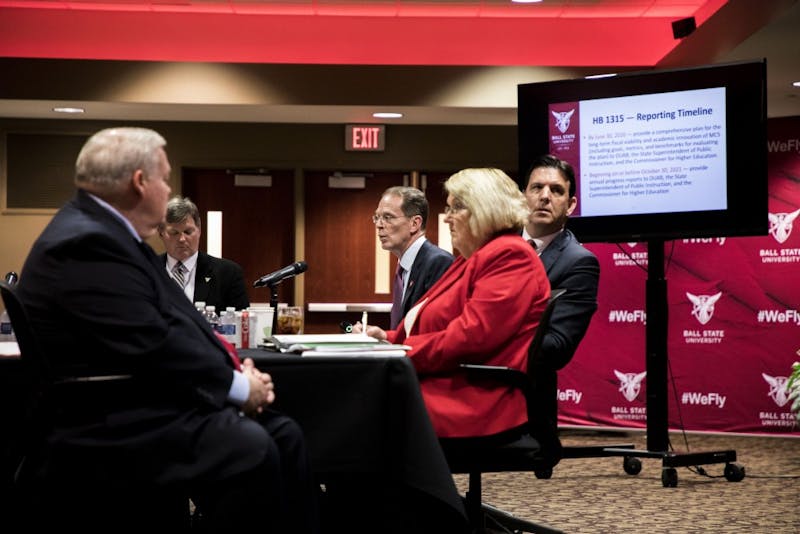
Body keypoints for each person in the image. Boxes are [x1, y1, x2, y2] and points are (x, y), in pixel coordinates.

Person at [14, 127, 319, 531]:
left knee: (282, 433)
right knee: (259, 442)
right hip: (103, 422)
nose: (168, 188)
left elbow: (178, 322)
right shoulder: (88, 243)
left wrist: (233, 374)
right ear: (140, 183)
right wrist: (239, 388)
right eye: (165, 178)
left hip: (127, 401)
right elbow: (155, 341)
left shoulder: (106, 234)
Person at [362, 168, 550, 439]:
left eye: (455, 208)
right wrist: (387, 339)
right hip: (445, 384)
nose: (447, 218)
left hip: (474, 398)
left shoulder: (510, 255)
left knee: (353, 409)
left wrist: (399, 351)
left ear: (485, 208)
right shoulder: (471, 257)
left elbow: (470, 337)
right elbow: (427, 321)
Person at [521, 153, 600, 466]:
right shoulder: (494, 246)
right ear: (522, 196)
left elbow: (555, 348)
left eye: (556, 190)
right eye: (536, 187)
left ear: (570, 205)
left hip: (527, 411)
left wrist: (484, 338)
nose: (544, 196)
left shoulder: (579, 262)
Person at [373, 186, 453, 329]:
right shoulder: (404, 266)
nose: (379, 225)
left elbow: (434, 330)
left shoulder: (439, 263)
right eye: (377, 217)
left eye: (387, 217)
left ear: (414, 223)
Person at [159, 195, 250, 311]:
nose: (182, 239)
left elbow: (242, 323)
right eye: (174, 233)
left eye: (188, 232)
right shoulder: (147, 270)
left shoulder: (228, 274)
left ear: (199, 231)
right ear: (161, 233)